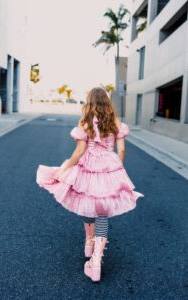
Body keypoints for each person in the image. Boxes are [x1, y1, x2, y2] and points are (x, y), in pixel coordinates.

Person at [36, 87, 144, 282]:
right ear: (107, 101)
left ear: (89, 102)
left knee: (86, 201)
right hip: (109, 167)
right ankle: (96, 261)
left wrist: (64, 169)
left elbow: (78, 152)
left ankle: (88, 243)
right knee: (102, 211)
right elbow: (121, 150)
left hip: (89, 167)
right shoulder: (115, 122)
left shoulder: (85, 122)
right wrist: (117, 169)